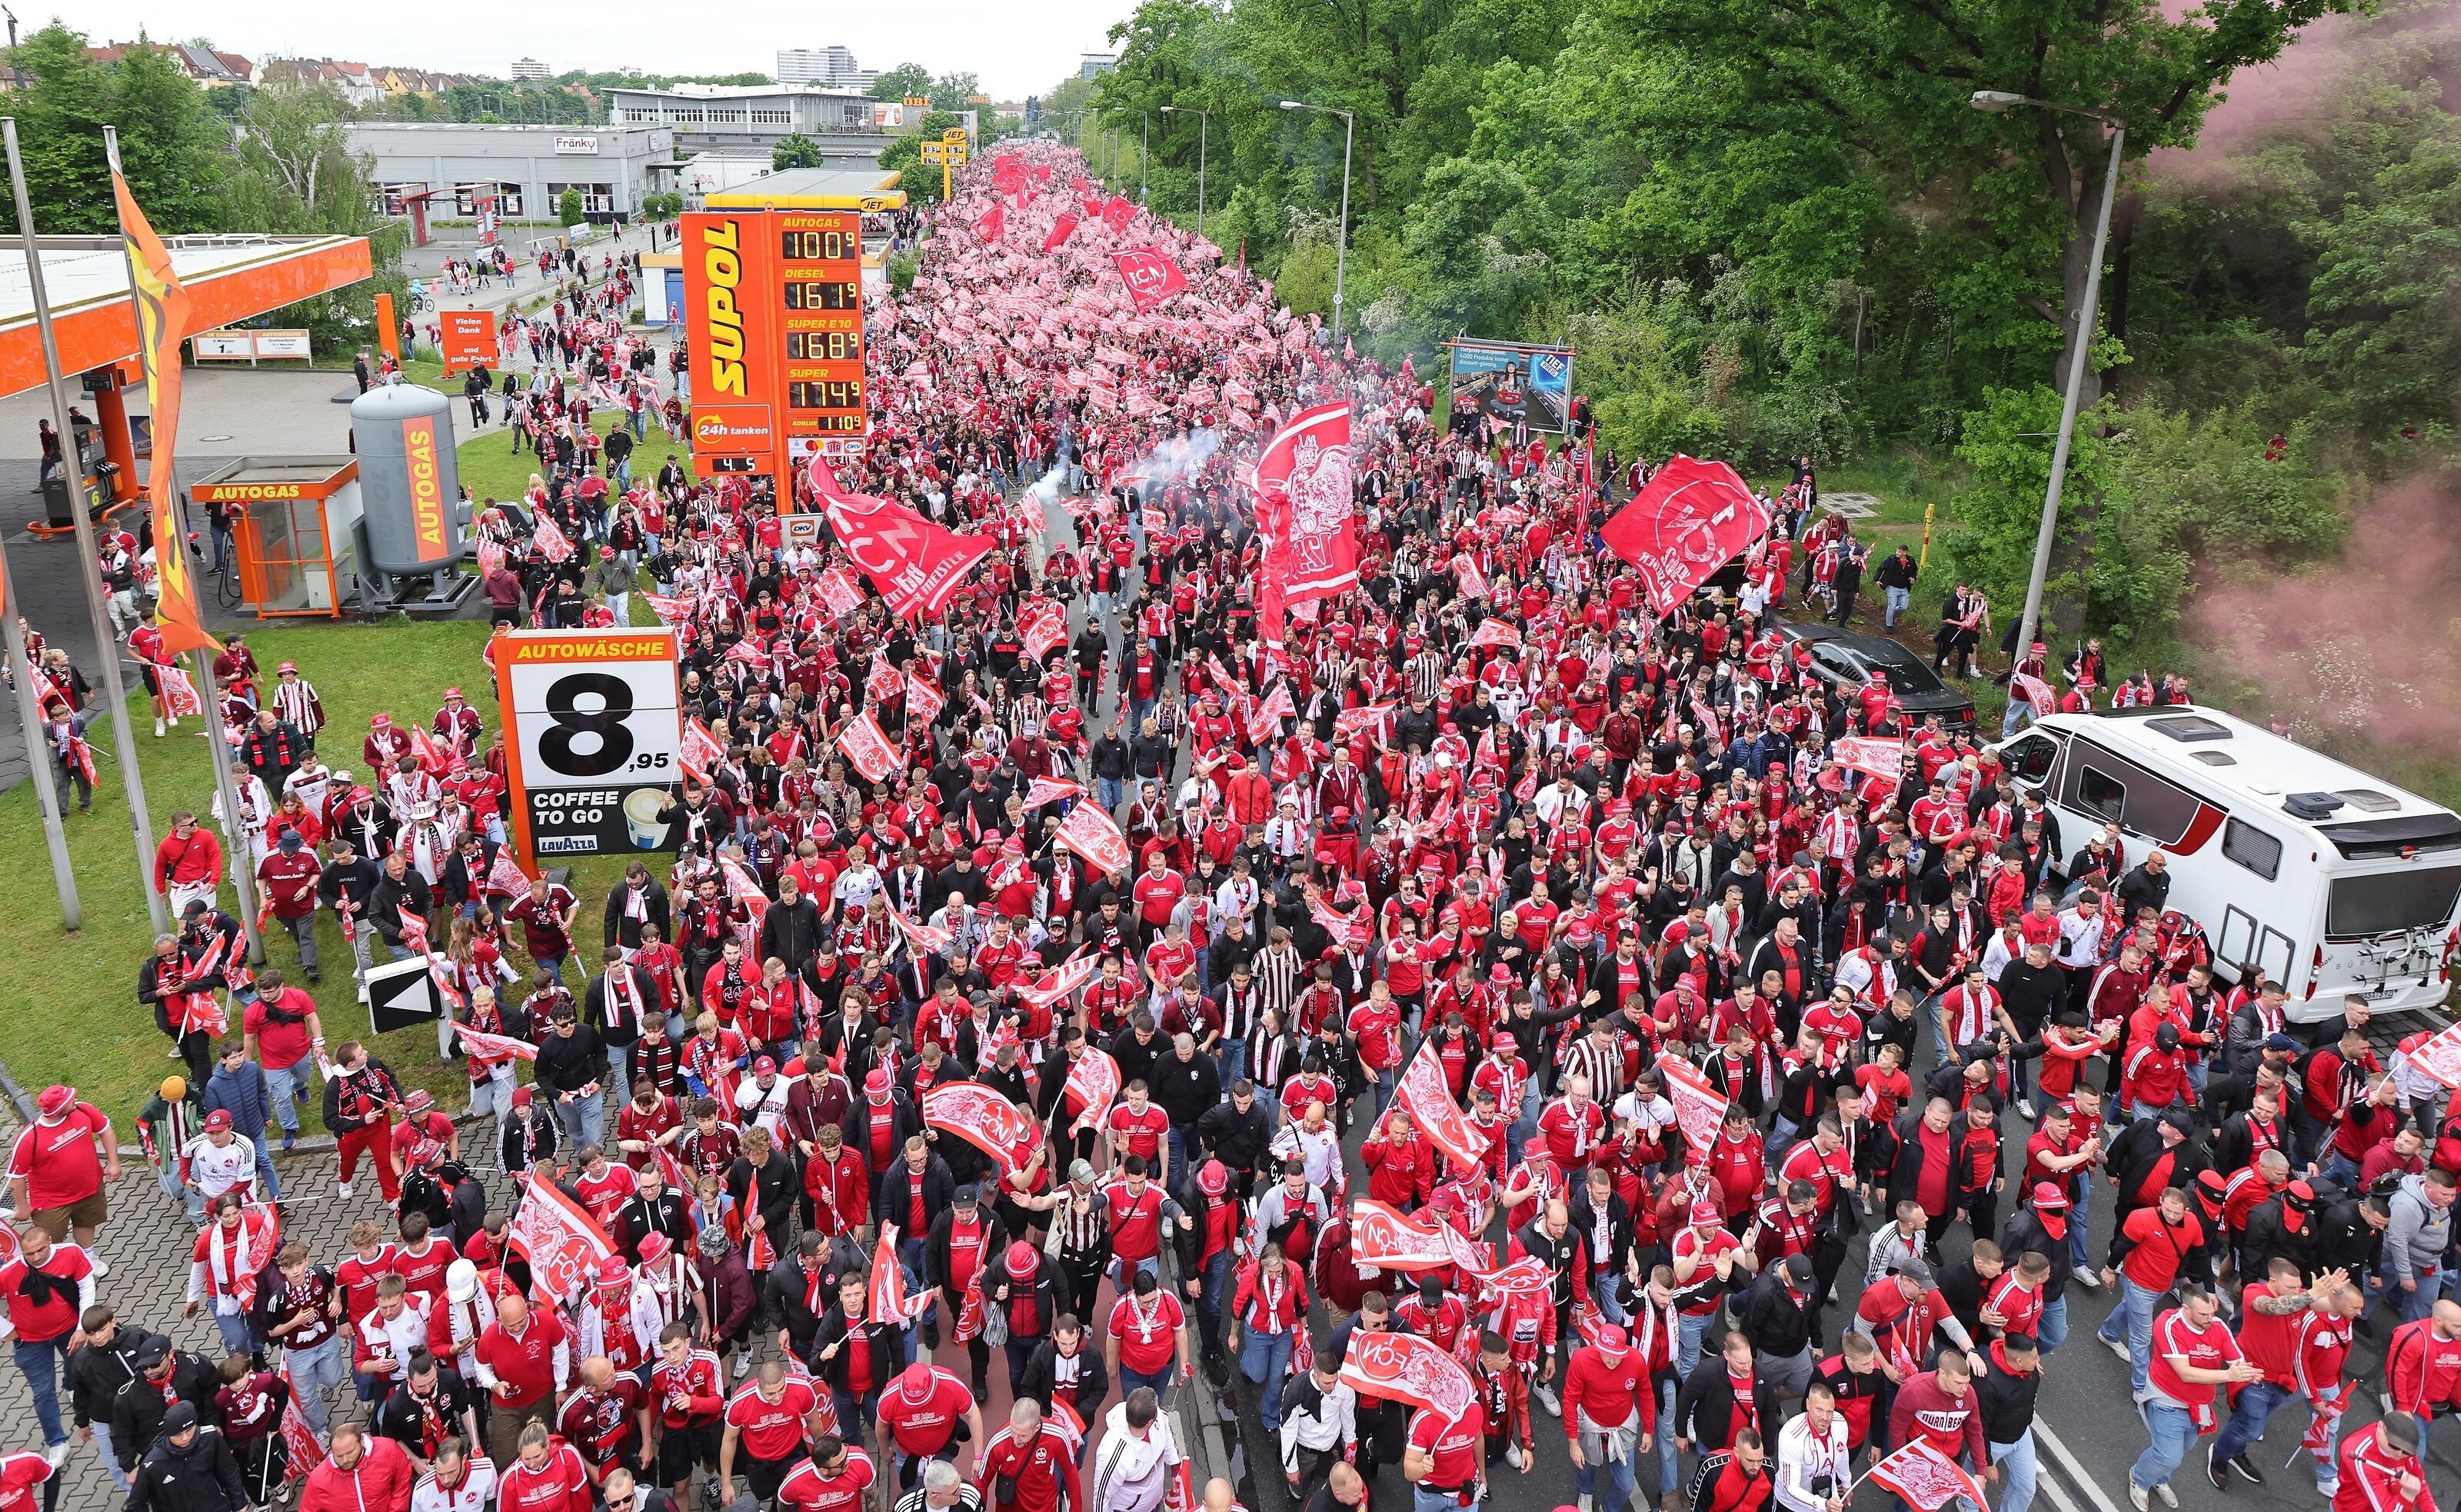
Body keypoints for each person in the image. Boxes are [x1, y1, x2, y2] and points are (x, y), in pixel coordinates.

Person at [2126, 1284, 2262, 1512]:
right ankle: (2139, 1479)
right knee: (2168, 1455)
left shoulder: (2218, 1326)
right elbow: (2185, 1373)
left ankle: (2159, 1478)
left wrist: (2247, 1372)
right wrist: (2229, 1375)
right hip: (2167, 1400)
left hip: (2198, 1405)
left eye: (2212, 1312)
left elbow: (2236, 1359)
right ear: (2186, 1309)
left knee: (2181, 1451)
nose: (2211, 1318)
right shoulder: (2169, 1325)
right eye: (2203, 1314)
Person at [1, 1221, 97, 1460]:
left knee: (75, 1364)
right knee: (43, 1393)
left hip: (69, 1330)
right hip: (30, 1341)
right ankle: (57, 1442)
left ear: (50, 1243)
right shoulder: (10, 1272)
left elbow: (86, 1285)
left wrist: (82, 1328)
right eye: (29, 1253)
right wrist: (4, 1330)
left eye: (40, 1250)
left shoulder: (71, 1253)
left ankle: (72, 1386)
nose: (35, 1257)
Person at [8, 1081, 120, 1257]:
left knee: (86, 1223)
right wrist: (23, 1207)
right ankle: (54, 1270)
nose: (74, 1099)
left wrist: (114, 1163)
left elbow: (105, 1131)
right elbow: (17, 1176)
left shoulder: (83, 1110)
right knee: (50, 1239)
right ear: (57, 1109)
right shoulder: (30, 1137)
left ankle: (89, 1258)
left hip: (89, 1188)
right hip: (51, 1202)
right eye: (69, 1099)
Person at [125, 1401, 249, 1512]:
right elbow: (136, 1505)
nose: (185, 1438)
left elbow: (229, 1470)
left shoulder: (211, 1438)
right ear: (168, 1435)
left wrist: (239, 1504)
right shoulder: (152, 1464)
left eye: (189, 1430)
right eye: (178, 1435)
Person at [1772, 1381, 1850, 1512]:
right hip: (1792, 1506)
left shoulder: (1840, 1424)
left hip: (1827, 1498)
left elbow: (1842, 1453)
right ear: (1808, 1404)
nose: (1825, 1418)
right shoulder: (1792, 1435)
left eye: (1830, 1411)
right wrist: (1823, 1505)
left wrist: (1847, 1483)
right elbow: (1790, 1488)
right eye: (1819, 1410)